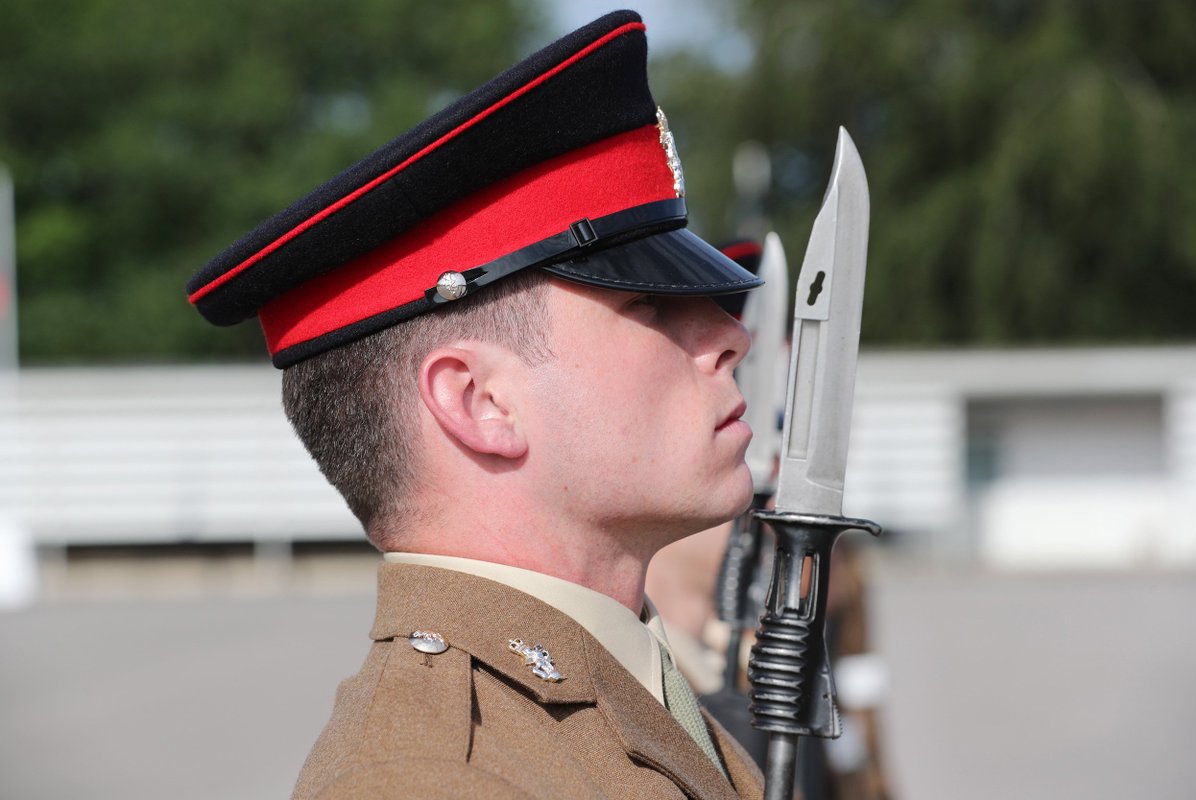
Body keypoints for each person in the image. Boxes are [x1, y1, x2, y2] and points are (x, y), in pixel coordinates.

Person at [186, 10, 769, 800]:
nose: (731, 337)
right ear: (480, 401)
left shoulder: (601, 692)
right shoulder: (431, 778)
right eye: (651, 305)